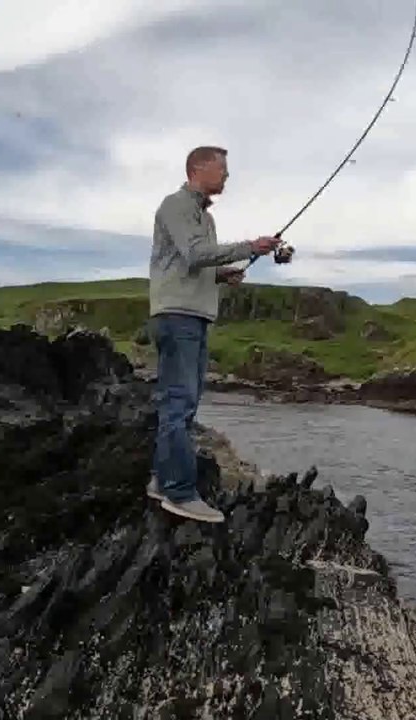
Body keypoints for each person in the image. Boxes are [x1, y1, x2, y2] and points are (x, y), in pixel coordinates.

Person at [145, 145, 282, 522]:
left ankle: (162, 479)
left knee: (183, 403)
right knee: (179, 402)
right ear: (198, 168)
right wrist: (251, 246)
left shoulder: (203, 217)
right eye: (222, 169)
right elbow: (194, 254)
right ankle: (179, 492)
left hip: (193, 316)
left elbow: (193, 263)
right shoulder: (176, 205)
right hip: (178, 317)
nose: (227, 176)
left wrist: (223, 275)